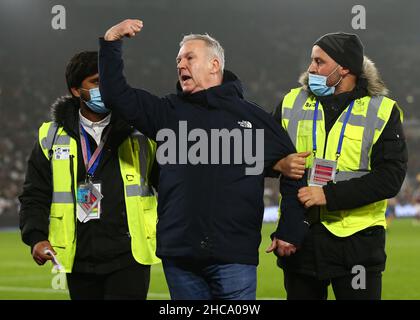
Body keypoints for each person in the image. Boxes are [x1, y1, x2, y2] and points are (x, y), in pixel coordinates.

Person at [99, 19, 308, 300]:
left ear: (214, 65)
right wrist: (111, 43)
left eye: (189, 57)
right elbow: (116, 95)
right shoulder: (166, 113)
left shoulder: (252, 118)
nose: (181, 64)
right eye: (178, 59)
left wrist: (290, 229)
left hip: (233, 255)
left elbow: (294, 169)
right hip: (179, 255)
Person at [272, 32, 408, 300]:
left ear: (344, 68)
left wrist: (329, 195)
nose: (311, 67)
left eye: (319, 61)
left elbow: (390, 177)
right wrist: (278, 163)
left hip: (357, 245)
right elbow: (261, 155)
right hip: (302, 239)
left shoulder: (382, 110)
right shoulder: (291, 102)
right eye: (312, 61)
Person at [19, 51, 160, 300]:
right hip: (79, 258)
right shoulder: (51, 137)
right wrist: (36, 237)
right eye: (96, 82)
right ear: (76, 90)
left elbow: (170, 185)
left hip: (129, 258)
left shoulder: (141, 131)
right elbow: (35, 194)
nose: (105, 88)